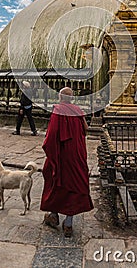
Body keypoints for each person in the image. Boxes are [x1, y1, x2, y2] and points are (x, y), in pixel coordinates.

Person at [40, 87, 93, 238]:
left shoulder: (57, 111)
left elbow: (51, 137)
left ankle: (54, 214)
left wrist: (49, 150)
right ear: (71, 98)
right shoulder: (78, 111)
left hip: (62, 154)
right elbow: (86, 128)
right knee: (75, 185)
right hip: (77, 154)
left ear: (60, 98)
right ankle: (68, 224)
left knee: (55, 180)